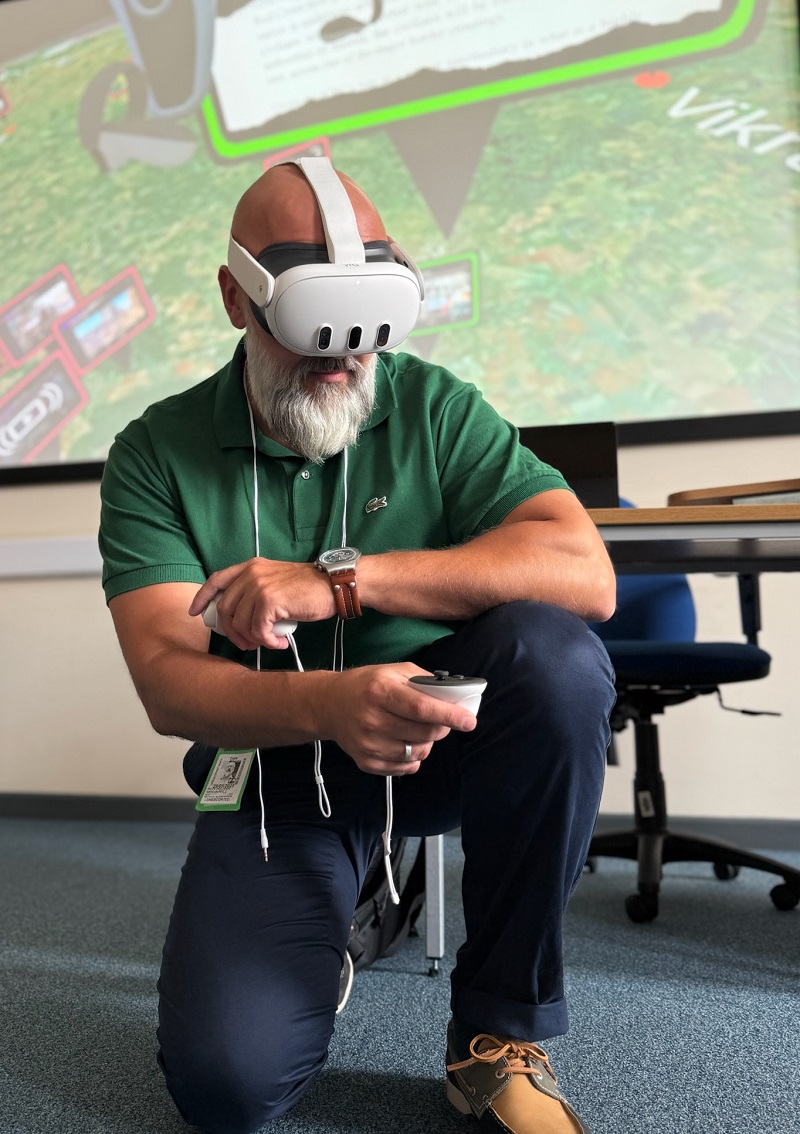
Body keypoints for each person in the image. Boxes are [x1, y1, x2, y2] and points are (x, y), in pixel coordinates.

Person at [99, 158, 617, 1134]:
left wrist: (346, 582)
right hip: (275, 774)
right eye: (309, 337)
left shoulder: (428, 404)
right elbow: (170, 684)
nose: (340, 366)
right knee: (227, 1089)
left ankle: (495, 1035)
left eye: (360, 336)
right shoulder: (156, 453)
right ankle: (335, 922)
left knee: (554, 659)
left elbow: (584, 575)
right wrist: (327, 705)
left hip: (441, 743)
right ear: (234, 299)